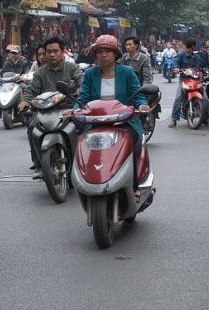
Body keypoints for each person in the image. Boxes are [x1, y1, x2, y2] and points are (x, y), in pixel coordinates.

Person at [64, 35, 150, 196]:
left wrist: (142, 104)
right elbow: (83, 99)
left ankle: (134, 187)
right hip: (95, 123)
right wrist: (74, 109)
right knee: (82, 146)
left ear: (115, 54)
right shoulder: (90, 74)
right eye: (100, 52)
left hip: (123, 122)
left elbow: (137, 95)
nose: (103, 55)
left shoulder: (127, 72)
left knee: (134, 145)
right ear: (95, 54)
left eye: (107, 52)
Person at [20, 36, 83, 179]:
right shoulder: (41, 72)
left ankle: (83, 161)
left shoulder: (72, 68)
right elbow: (31, 90)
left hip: (69, 110)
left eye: (55, 51)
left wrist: (80, 90)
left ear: (63, 52)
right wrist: (25, 101)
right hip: (46, 111)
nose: (52, 54)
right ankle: (39, 165)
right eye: (49, 51)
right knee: (31, 127)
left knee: (85, 127)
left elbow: (82, 83)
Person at [168, 39, 207, 127]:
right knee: (178, 97)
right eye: (195, 45)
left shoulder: (197, 56)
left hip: (196, 80)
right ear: (192, 46)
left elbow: (203, 64)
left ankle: (205, 117)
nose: (196, 47)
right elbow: (175, 62)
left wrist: (204, 54)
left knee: (205, 97)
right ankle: (174, 118)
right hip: (184, 80)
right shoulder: (181, 55)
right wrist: (176, 68)